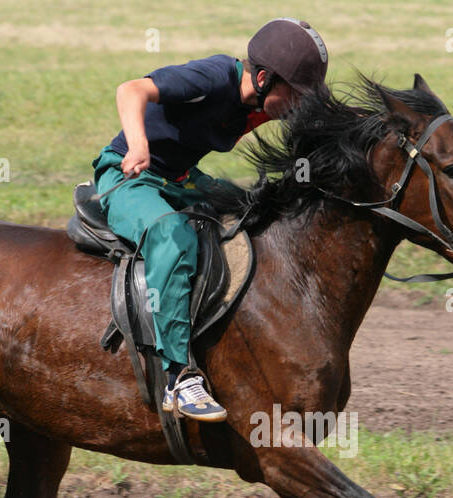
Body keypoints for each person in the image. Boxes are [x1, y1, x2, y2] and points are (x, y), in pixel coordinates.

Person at [91, 18, 329, 423]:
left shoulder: (258, 104)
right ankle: (179, 376)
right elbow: (131, 90)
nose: (298, 106)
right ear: (263, 77)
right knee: (173, 234)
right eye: (296, 94)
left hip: (180, 180)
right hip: (128, 177)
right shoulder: (212, 78)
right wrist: (138, 145)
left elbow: (320, 126)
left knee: (256, 211)